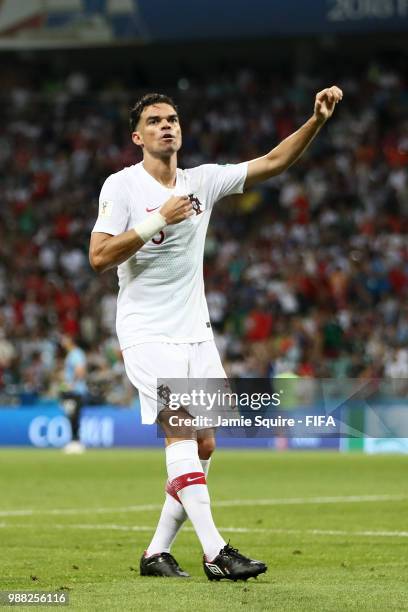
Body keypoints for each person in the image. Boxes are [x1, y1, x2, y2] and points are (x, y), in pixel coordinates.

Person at [89, 85, 343, 580]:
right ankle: (216, 552)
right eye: (157, 120)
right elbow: (99, 257)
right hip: (147, 333)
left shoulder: (201, 181)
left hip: (196, 333)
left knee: (204, 445)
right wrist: (154, 222)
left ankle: (155, 554)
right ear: (137, 136)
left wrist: (317, 121)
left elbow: (272, 162)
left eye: (174, 119)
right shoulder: (121, 187)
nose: (168, 125)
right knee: (180, 430)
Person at [59, 334, 88, 454]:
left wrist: (72, 384)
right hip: (73, 391)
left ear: (71, 340)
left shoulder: (75, 353)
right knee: (72, 416)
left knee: (74, 416)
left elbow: (80, 370)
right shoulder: (72, 354)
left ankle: (76, 442)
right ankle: (74, 441)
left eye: (65, 338)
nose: (62, 341)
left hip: (75, 392)